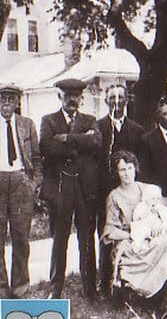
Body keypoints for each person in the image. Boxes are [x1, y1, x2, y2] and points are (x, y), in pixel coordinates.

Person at [102, 150, 167, 319]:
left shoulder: (147, 190)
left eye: (130, 168)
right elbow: (110, 231)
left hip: (152, 242)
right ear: (117, 172)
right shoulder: (113, 197)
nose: (127, 173)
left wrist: (157, 224)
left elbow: (160, 214)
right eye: (122, 170)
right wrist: (134, 233)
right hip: (132, 247)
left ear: (136, 168)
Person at [39, 78, 101, 300]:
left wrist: (67, 138)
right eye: (67, 96)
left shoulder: (90, 120)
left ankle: (90, 290)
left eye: (76, 96)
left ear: (81, 98)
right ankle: (55, 289)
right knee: (59, 238)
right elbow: (47, 147)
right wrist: (80, 145)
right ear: (60, 97)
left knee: (87, 238)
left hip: (84, 187)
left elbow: (96, 142)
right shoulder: (48, 120)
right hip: (60, 187)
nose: (72, 100)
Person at [95, 83, 145, 296]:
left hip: (128, 192)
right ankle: (106, 281)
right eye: (112, 98)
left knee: (132, 234)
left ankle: (130, 281)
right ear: (106, 101)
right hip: (104, 192)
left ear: (127, 100)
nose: (116, 102)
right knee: (107, 233)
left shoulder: (136, 129)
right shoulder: (98, 128)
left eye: (120, 98)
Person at [0, 83, 42, 299]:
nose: (6, 103)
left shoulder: (27, 124)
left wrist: (33, 183)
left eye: (11, 99)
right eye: (2, 99)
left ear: (17, 102)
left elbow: (37, 157)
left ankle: (20, 286)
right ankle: (1, 287)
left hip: (20, 182)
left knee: (21, 236)